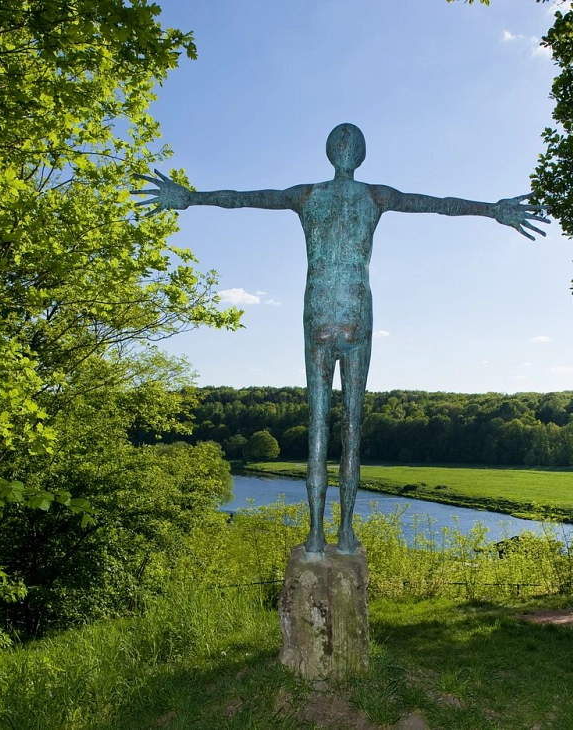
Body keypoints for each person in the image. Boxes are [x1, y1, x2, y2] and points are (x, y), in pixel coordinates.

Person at [134, 123, 548, 555]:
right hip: (356, 318)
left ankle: (316, 534)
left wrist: (191, 198)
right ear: (359, 155)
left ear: (330, 153)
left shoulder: (306, 194)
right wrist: (492, 210)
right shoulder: (374, 195)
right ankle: (345, 532)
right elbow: (439, 205)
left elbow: (242, 199)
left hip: (318, 316)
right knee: (351, 427)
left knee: (318, 426)